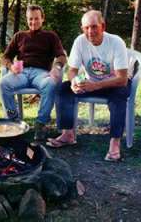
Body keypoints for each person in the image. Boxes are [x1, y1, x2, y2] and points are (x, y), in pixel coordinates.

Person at [50, 10, 130, 162]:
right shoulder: (80, 41)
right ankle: (68, 134)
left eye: (94, 27)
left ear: (103, 26)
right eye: (86, 28)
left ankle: (115, 143)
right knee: (63, 89)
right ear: (82, 29)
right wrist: (74, 82)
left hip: (114, 83)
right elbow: (72, 71)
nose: (90, 32)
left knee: (119, 97)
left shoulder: (116, 42)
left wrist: (96, 86)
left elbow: (123, 79)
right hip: (90, 81)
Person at [0, 5, 67, 141]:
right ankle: (14, 121)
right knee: (3, 84)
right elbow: (5, 57)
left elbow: (61, 56)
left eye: (36, 19)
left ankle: (41, 124)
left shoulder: (50, 36)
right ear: (27, 19)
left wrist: (57, 67)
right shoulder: (19, 36)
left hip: (41, 74)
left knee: (51, 83)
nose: (33, 22)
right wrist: (11, 66)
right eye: (30, 19)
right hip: (21, 73)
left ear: (42, 19)